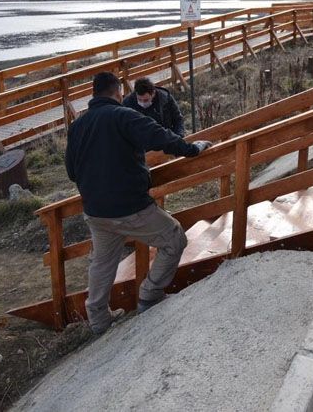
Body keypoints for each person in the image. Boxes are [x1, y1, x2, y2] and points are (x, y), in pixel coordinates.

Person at [65, 72, 212, 335]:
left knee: (102, 262)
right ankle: (150, 294)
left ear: (94, 94)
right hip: (129, 207)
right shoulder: (122, 116)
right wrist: (192, 149)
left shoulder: (77, 126)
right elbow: (160, 137)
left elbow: (71, 172)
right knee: (174, 238)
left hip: (96, 211)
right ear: (118, 92)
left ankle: (98, 320)